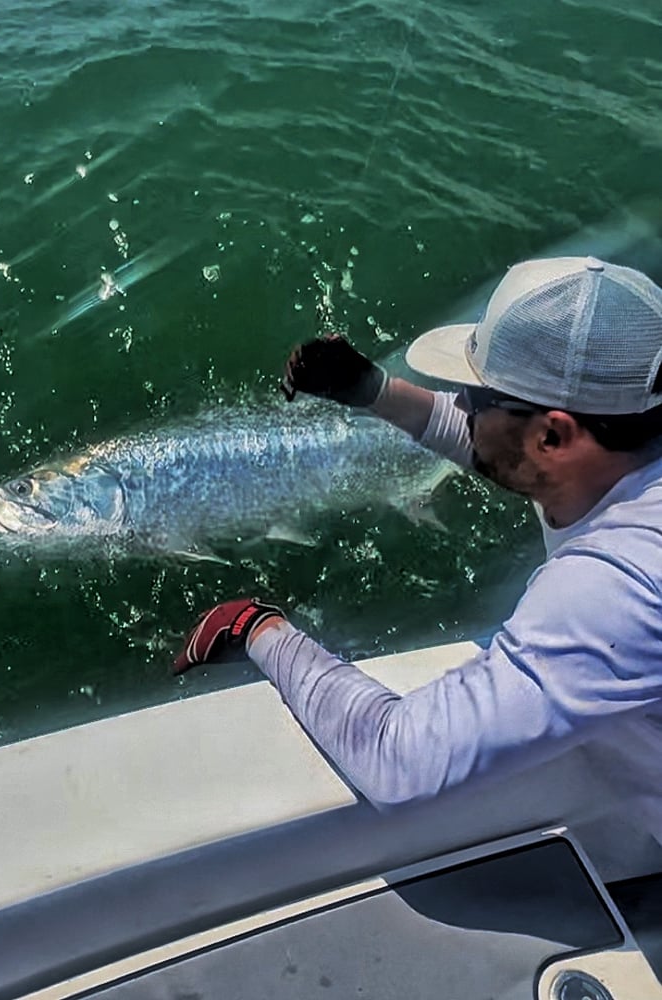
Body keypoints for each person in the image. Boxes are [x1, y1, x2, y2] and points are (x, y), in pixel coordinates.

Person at [173, 256, 662, 954]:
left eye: (476, 397)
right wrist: (372, 390)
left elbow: (399, 761)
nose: (459, 406)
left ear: (554, 435)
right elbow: (499, 447)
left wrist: (258, 627)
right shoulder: (625, 441)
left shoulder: (611, 593)